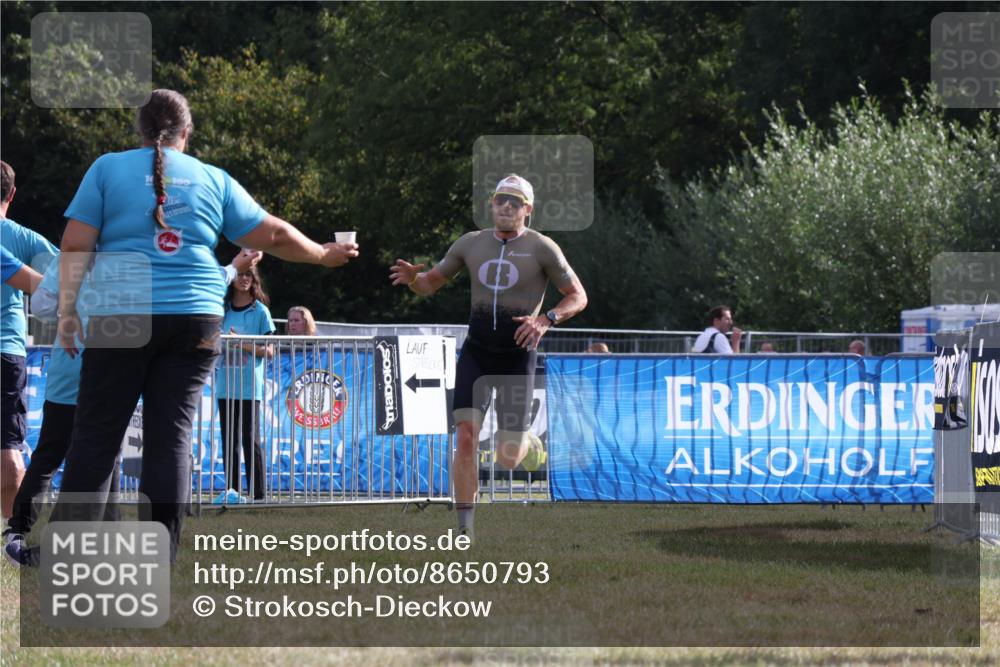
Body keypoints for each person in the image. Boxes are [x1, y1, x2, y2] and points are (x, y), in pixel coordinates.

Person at [52, 89, 358, 562]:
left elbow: (75, 245)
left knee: (96, 433)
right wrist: (321, 253)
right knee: (170, 436)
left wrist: (68, 310)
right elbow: (272, 234)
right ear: (187, 133)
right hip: (196, 316)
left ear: (139, 128)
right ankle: (159, 556)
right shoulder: (213, 179)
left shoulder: (107, 169)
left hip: (121, 312)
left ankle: (70, 556)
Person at [2, 249, 260, 566]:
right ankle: (49, 537)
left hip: (75, 374)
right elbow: (191, 288)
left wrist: (70, 303)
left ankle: (36, 535)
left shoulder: (72, 257)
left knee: (64, 457)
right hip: (103, 376)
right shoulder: (136, 263)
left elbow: (42, 305)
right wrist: (233, 268)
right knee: (97, 456)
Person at [390, 174, 587, 539]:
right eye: (501, 200)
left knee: (508, 455)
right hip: (477, 354)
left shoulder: (543, 248)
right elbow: (431, 283)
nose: (507, 207)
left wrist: (546, 320)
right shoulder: (470, 243)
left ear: (528, 210)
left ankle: (530, 444)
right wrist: (413, 280)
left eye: (515, 202)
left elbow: (578, 296)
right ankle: (464, 530)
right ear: (491, 205)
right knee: (465, 437)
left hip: (517, 357)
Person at [1, 160, 58, 520]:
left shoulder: (19, 239)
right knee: (8, 452)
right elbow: (69, 272)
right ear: (13, 193)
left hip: (5, 351)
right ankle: (14, 533)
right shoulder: (22, 237)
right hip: (6, 352)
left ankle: (14, 534)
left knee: (8, 454)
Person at [216, 264, 274, 502]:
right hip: (225, 384)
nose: (244, 278)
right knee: (229, 440)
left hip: (250, 386)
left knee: (251, 439)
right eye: (240, 274)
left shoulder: (261, 311)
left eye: (249, 275)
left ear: (254, 279)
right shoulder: (222, 310)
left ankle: (258, 495)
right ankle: (232, 493)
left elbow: (269, 352)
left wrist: (241, 342)